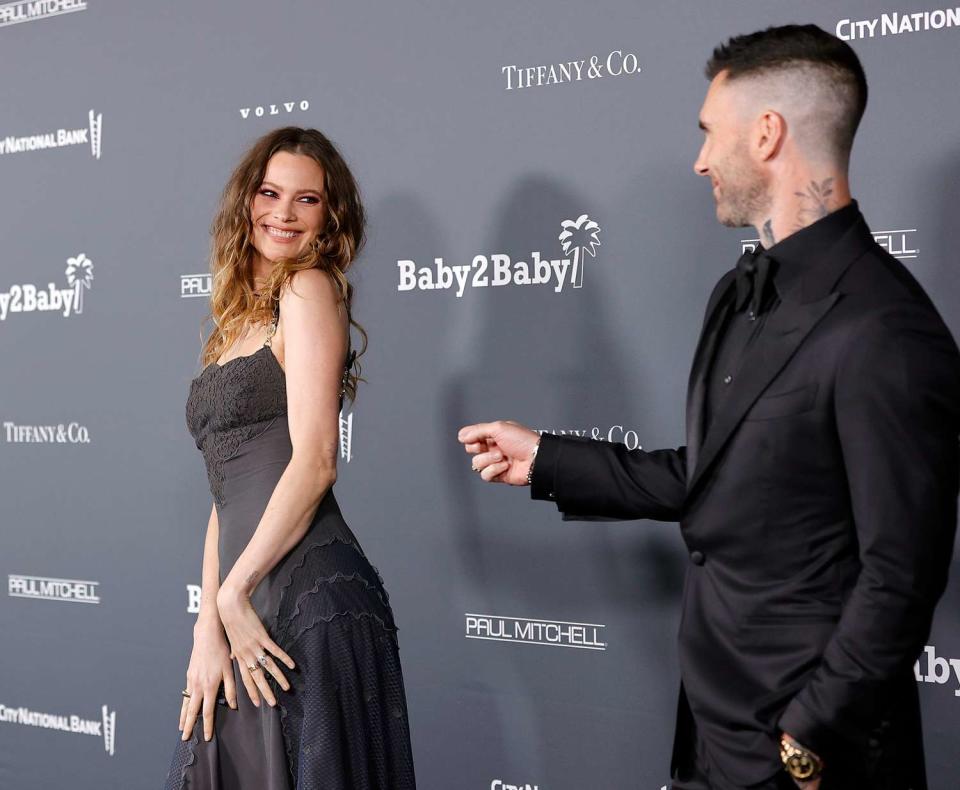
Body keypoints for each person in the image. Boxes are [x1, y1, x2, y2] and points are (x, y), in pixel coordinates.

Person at [458, 24, 960, 790]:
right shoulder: (739, 293)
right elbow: (717, 476)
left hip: (816, 757)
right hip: (710, 732)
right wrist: (549, 458)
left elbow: (901, 572)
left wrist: (808, 733)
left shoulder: (884, 325)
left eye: (708, 132)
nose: (699, 159)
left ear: (767, 133)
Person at [165, 127, 416, 789]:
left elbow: (316, 461)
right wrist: (209, 622)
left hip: (305, 595)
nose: (282, 213)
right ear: (246, 200)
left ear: (329, 219)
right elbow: (225, 492)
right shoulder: (235, 319)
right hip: (247, 594)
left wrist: (235, 592)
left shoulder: (308, 290)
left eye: (306, 200)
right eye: (271, 193)